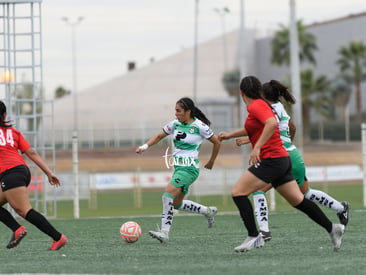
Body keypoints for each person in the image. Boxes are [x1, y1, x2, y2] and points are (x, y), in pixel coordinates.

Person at [218, 75, 345, 252]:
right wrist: (230, 135)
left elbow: (271, 124)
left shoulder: (256, 105)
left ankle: (254, 236)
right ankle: (333, 228)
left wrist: (256, 149)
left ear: (241, 93)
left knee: (238, 193)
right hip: (282, 159)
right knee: (299, 200)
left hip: (272, 159)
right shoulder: (262, 105)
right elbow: (259, 126)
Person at [0, 100, 67, 250]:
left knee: (24, 210)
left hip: (10, 174)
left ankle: (58, 238)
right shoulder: (13, 132)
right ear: (4, 115)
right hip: (22, 171)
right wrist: (48, 172)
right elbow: (32, 152)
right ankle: (17, 229)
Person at [136, 97, 221, 243]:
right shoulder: (175, 124)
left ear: (188, 111)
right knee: (176, 203)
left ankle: (164, 232)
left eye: (178, 111)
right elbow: (159, 136)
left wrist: (212, 161)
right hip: (178, 169)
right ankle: (208, 211)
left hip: (189, 169)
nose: (176, 114)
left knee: (167, 193)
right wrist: (145, 146)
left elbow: (217, 142)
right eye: (175, 111)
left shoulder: (200, 126)